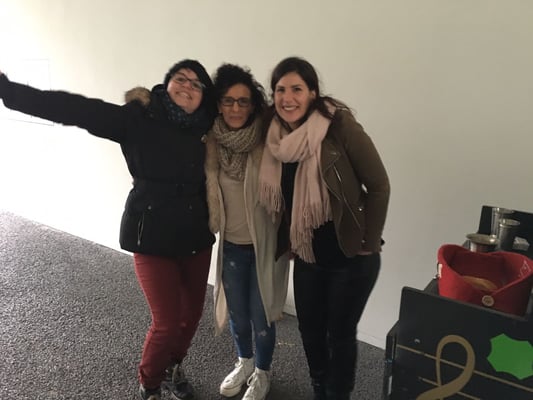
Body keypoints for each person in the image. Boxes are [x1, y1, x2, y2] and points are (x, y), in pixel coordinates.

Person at [0, 59, 218, 400]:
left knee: (190, 317)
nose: (187, 87)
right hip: (151, 234)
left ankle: (174, 366)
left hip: (195, 236)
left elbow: (248, 118)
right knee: (166, 322)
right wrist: (9, 92)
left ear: (204, 95)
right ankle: (150, 383)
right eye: (181, 79)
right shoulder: (139, 119)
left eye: (196, 83)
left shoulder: (209, 127)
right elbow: (76, 109)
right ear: (167, 83)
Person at [258, 57, 390, 400]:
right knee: (310, 331)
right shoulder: (274, 137)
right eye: (280, 90)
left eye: (297, 89)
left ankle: (337, 395)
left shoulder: (338, 125)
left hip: (350, 255)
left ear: (313, 93)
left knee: (340, 335)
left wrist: (369, 242)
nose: (288, 98)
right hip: (308, 254)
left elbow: (379, 185)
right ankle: (320, 389)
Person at [204, 64, 290, 400]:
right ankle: (245, 362)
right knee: (238, 315)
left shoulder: (269, 142)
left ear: (253, 105)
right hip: (231, 247)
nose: (236, 108)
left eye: (243, 101)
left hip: (264, 247)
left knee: (262, 316)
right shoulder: (210, 144)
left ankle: (262, 373)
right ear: (219, 104)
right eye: (228, 101)